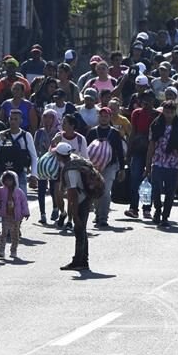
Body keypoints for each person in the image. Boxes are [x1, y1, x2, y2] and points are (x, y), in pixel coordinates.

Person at [144, 100, 178, 227]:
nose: (168, 115)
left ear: (175, 113)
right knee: (156, 189)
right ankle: (157, 210)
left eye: (171, 112)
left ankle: (165, 216)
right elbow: (151, 146)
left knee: (170, 192)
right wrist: (148, 165)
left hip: (172, 164)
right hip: (157, 162)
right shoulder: (156, 125)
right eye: (166, 112)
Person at [85, 107, 126, 228]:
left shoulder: (114, 133)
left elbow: (119, 151)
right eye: (101, 116)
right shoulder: (92, 132)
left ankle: (103, 218)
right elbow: (86, 150)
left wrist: (122, 168)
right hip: (94, 167)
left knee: (106, 191)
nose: (103, 118)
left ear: (109, 117)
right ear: (99, 117)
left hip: (110, 166)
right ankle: (97, 214)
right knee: (95, 191)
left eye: (106, 116)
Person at [55, 143, 91, 271]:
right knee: (83, 230)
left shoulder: (70, 171)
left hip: (81, 200)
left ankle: (78, 262)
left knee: (79, 230)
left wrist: (74, 215)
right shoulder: (75, 159)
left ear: (59, 156)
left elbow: (73, 194)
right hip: (87, 196)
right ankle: (83, 261)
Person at [125, 91, 158, 218]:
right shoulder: (136, 113)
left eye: (149, 100)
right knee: (135, 179)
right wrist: (128, 153)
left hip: (152, 150)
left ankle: (147, 208)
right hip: (138, 150)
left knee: (148, 180)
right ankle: (133, 208)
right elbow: (133, 133)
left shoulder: (157, 115)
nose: (146, 103)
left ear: (153, 100)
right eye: (144, 100)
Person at [0, 171, 29, 259]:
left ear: (14, 181)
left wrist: (26, 212)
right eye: (6, 180)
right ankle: (1, 250)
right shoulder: (1, 190)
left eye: (10, 180)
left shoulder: (19, 192)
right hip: (5, 215)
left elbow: (24, 203)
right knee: (4, 233)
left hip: (16, 216)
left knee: (15, 234)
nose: (8, 182)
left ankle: (13, 251)